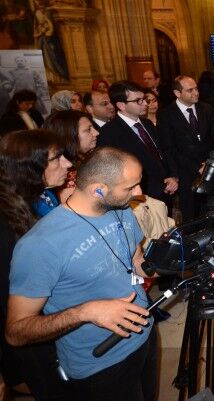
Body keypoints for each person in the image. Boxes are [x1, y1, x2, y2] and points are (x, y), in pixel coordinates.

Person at [6, 147, 157, 401]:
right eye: (130, 187)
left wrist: (170, 259)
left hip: (145, 335)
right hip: (101, 364)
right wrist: (85, 312)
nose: (139, 193)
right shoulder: (39, 246)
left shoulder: (120, 209)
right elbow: (16, 331)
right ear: (99, 189)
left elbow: (136, 261)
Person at [0, 129, 74, 400]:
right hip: (32, 333)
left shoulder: (40, 196)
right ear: (29, 167)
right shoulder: (6, 224)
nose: (68, 163)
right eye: (57, 158)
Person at [98, 80, 178, 207]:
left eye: (144, 99)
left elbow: (163, 151)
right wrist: (158, 187)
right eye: (138, 101)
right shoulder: (109, 133)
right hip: (141, 198)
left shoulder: (147, 124)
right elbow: (118, 172)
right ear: (121, 105)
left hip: (167, 188)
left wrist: (172, 176)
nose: (145, 103)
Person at [157, 75, 214, 222]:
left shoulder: (207, 108)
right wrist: (197, 167)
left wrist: (211, 164)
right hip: (186, 176)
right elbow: (169, 148)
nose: (196, 93)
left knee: (210, 215)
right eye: (190, 90)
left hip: (210, 173)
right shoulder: (166, 115)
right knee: (191, 218)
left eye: (196, 88)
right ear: (177, 93)